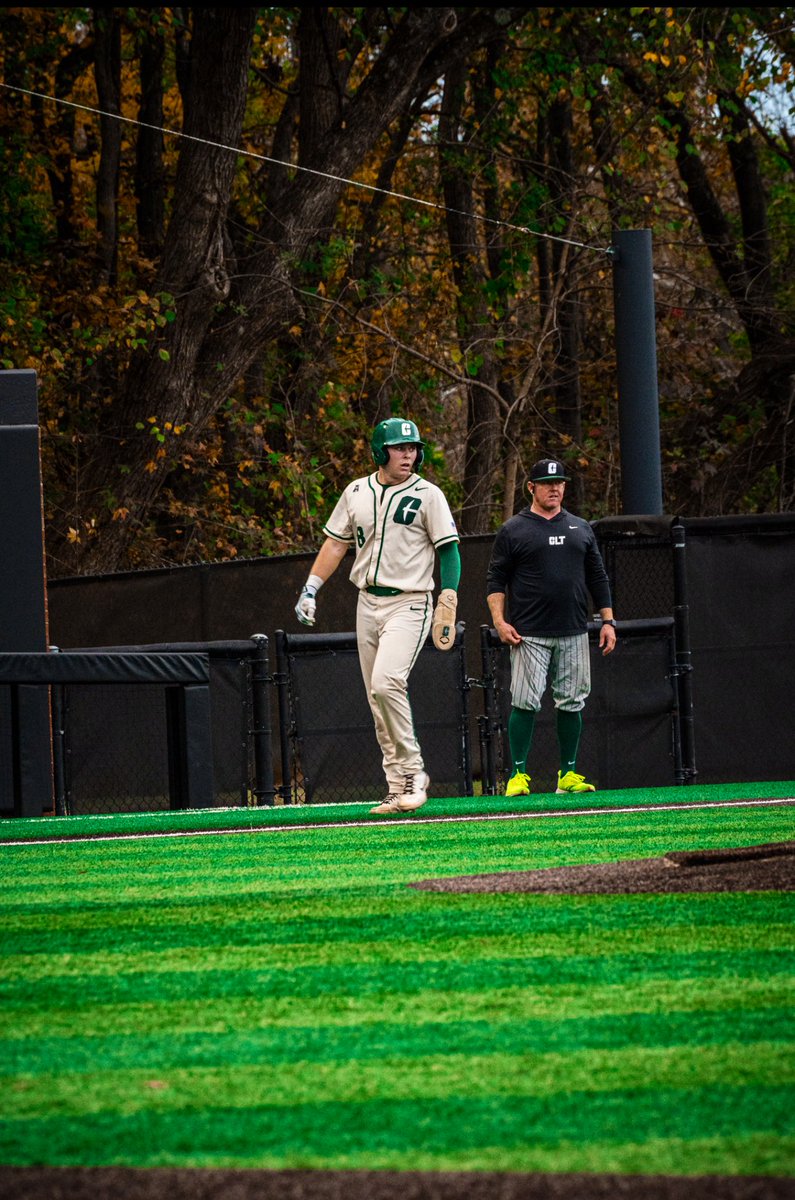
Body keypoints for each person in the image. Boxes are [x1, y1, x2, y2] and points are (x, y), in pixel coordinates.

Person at [295, 416, 461, 814]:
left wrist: (449, 597)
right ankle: (396, 785)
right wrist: (310, 587)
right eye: (399, 447)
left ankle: (414, 772)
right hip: (366, 602)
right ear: (379, 452)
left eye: (413, 447)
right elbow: (335, 546)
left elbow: (449, 550)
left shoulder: (428, 494)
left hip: (410, 601)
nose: (408, 454)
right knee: (376, 697)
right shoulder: (356, 491)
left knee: (388, 683)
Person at [486, 457, 616, 796]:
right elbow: (495, 580)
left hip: (574, 629)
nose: (554, 488)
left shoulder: (581, 527)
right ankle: (517, 776)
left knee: (572, 702)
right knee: (525, 701)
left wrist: (608, 621)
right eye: (546, 483)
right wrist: (499, 622)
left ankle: (568, 775)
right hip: (528, 633)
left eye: (559, 483)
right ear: (531, 487)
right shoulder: (514, 529)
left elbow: (597, 576)